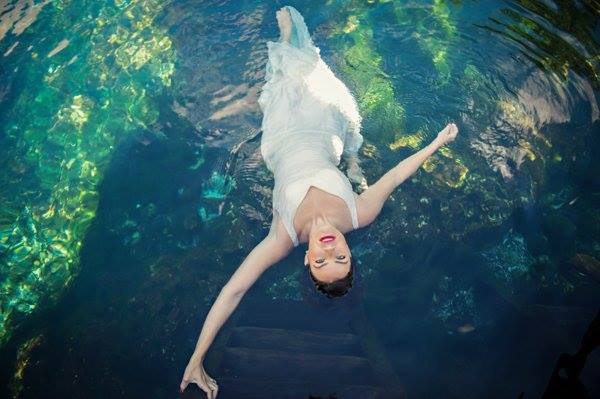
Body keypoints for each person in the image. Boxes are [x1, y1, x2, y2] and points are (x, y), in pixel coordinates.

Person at [180, 5, 459, 397]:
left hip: (280, 139)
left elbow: (234, 291)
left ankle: (286, 35)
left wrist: (197, 358)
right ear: (350, 253)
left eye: (322, 262)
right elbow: (396, 176)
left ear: (308, 261)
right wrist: (435, 144)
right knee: (308, 59)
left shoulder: (283, 236)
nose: (331, 253)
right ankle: (351, 154)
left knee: (281, 65)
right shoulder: (359, 213)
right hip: (324, 127)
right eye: (341, 259)